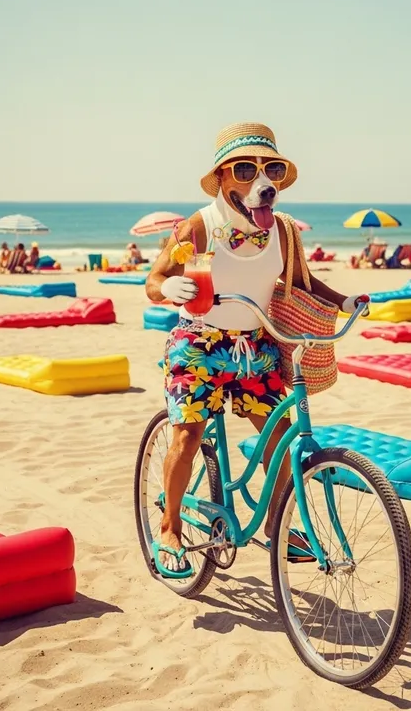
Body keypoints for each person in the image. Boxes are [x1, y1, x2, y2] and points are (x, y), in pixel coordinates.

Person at [145, 122, 367, 578]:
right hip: (200, 344)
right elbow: (152, 282)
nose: (261, 184)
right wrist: (170, 284)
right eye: (245, 170)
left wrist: (342, 301)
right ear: (224, 179)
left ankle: (276, 526)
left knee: (282, 437)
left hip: (256, 347)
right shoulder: (198, 227)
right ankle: (169, 529)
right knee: (187, 436)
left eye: (271, 172)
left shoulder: (282, 231)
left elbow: (300, 282)